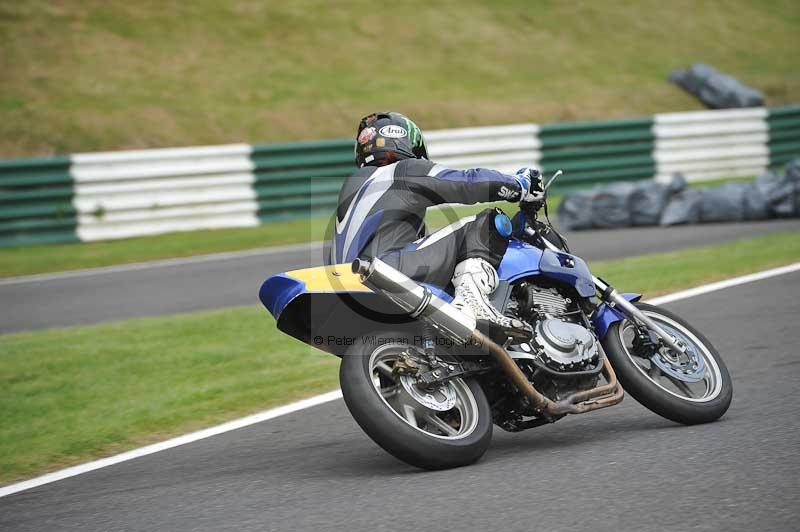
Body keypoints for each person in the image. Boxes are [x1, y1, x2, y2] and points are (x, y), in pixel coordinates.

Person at [328, 111, 544, 335]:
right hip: (383, 271)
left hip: (346, 288)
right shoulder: (402, 170)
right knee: (489, 221)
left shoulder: (353, 188)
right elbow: (468, 182)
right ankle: (474, 304)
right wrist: (520, 184)